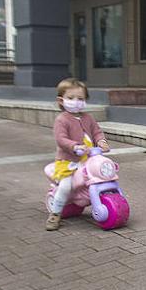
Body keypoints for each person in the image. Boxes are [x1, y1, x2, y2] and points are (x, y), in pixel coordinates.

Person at [45, 78, 109, 231]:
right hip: (67, 161)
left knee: (100, 176)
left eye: (80, 99)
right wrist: (74, 147)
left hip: (88, 159)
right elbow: (61, 139)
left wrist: (101, 141)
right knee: (66, 186)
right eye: (71, 98)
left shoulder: (88, 118)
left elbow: (97, 132)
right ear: (61, 100)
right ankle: (55, 214)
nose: (76, 102)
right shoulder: (62, 120)